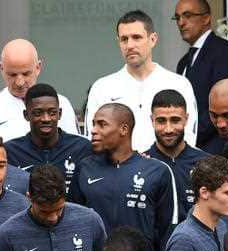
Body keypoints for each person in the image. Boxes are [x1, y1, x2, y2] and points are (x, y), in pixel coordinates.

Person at [69, 103, 177, 251]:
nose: (93, 130)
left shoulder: (157, 171)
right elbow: (72, 222)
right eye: (93, 124)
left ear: (124, 129)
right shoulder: (84, 169)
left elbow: (167, 232)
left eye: (102, 124)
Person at [84, 10, 198, 152]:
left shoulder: (179, 84)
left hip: (168, 169)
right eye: (124, 39)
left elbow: (189, 137)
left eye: (136, 37)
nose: (130, 45)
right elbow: (93, 139)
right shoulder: (102, 87)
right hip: (116, 170)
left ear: (153, 39)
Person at [0, 39, 78, 142]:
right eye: (12, 75)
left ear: (38, 67)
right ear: (1, 68)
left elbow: (74, 146)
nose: (20, 82)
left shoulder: (62, 104)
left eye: (26, 74)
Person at [173, 0, 228, 148]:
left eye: (187, 15)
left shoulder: (223, 51)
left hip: (216, 148)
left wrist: (188, 139)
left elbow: (223, 106)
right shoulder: (183, 62)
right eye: (177, 18)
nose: (181, 23)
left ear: (206, 18)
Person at [4, 84, 93, 194]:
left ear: (60, 114)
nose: (46, 119)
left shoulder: (82, 148)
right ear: (26, 115)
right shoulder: (11, 152)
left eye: (52, 113)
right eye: (38, 113)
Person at [145, 89, 207, 221]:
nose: (168, 129)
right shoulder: (141, 164)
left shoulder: (207, 164)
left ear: (186, 119)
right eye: (161, 121)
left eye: (175, 120)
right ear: (152, 120)